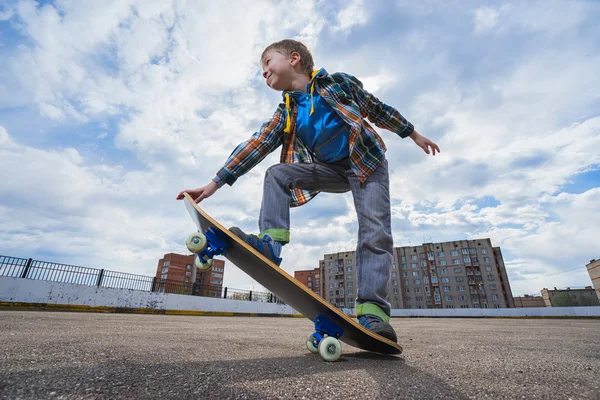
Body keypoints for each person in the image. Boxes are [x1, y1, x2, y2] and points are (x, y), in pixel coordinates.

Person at [177, 39, 440, 342]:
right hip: (331, 171)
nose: (263, 73)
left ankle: (373, 313)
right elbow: (258, 143)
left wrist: (413, 134)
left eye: (267, 63)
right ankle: (269, 244)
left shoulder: (337, 84)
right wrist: (215, 183)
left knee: (375, 230)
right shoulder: (286, 111)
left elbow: (377, 108)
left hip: (366, 164)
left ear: (294, 58)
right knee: (277, 174)